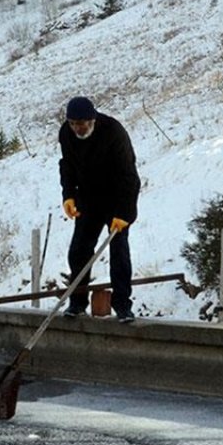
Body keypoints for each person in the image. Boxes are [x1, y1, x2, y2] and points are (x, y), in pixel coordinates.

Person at [57, 96, 141, 323]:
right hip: (88, 198)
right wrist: (69, 195)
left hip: (116, 199)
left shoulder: (113, 132)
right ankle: (77, 302)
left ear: (92, 120)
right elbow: (67, 165)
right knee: (79, 251)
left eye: (82, 124)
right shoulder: (66, 133)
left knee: (119, 252)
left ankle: (123, 305)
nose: (77, 128)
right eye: (73, 123)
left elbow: (129, 177)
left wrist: (125, 214)